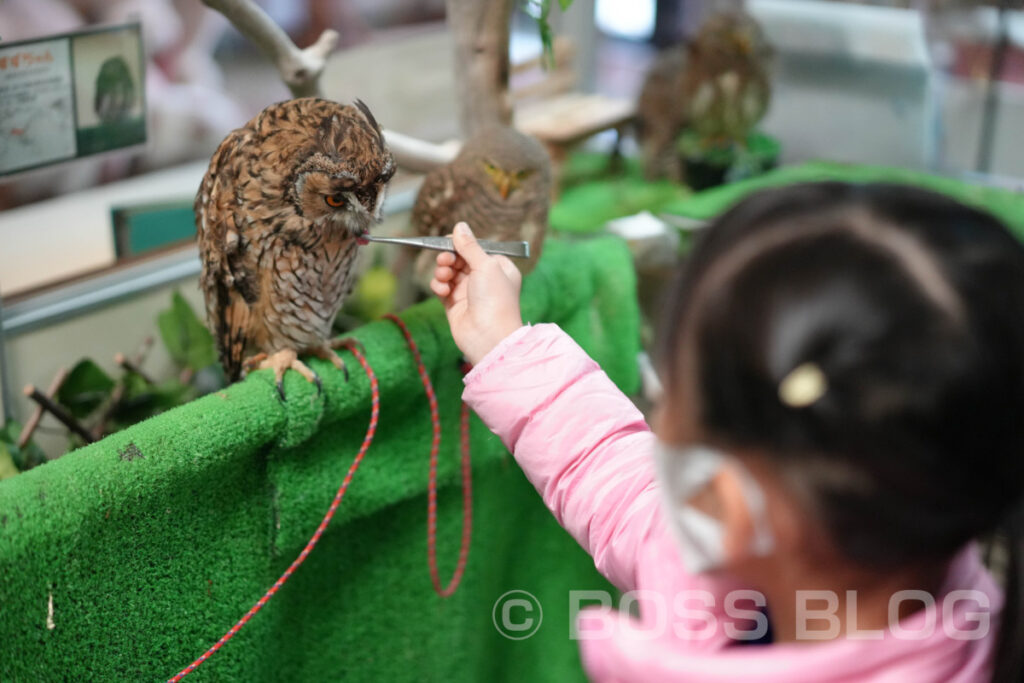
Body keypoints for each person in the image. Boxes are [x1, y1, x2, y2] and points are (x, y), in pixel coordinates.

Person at [429, 182, 1024, 682]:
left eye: (668, 400)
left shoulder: (736, 546)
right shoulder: (890, 522)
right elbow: (623, 486)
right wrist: (505, 344)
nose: (658, 426)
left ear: (724, 501)